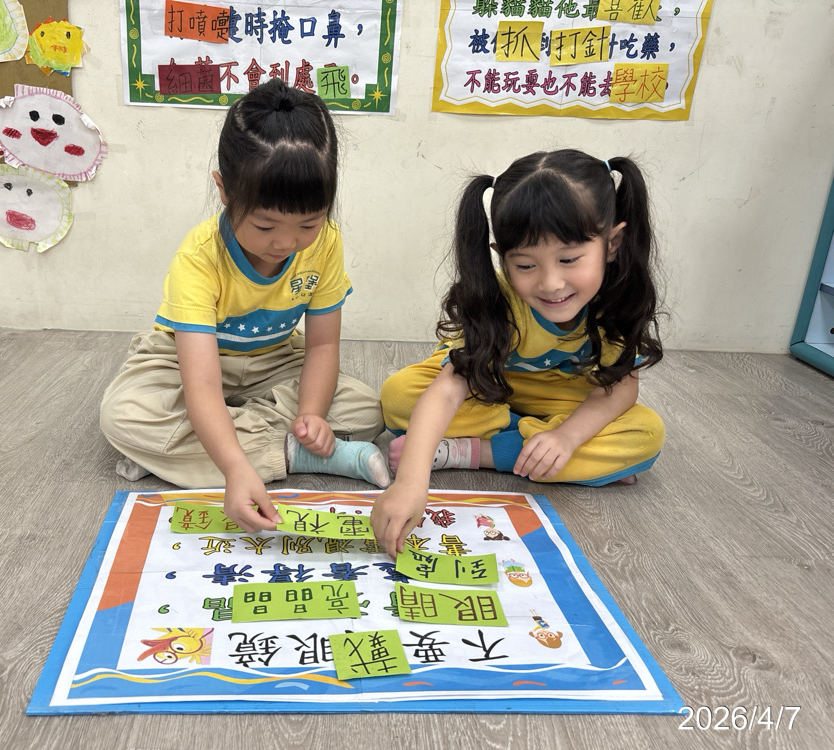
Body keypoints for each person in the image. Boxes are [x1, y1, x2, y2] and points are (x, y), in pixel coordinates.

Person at [100, 78, 389, 533]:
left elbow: (321, 347)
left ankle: (188, 454)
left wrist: (312, 414)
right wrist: (236, 468)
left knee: (367, 409)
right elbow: (201, 383)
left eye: (309, 225)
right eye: (265, 226)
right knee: (124, 415)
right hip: (187, 363)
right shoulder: (199, 257)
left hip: (274, 360)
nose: (286, 243)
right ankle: (287, 453)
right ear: (224, 189)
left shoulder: (327, 243)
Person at [372, 149, 665, 554]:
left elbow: (620, 388)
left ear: (612, 244)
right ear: (501, 256)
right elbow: (448, 390)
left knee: (646, 433)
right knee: (400, 396)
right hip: (489, 386)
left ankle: (476, 452)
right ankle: (544, 450)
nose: (551, 283)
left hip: (563, 399)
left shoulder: (619, 297)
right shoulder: (500, 298)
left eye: (569, 259)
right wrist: (411, 481)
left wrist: (567, 436)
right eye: (525, 265)